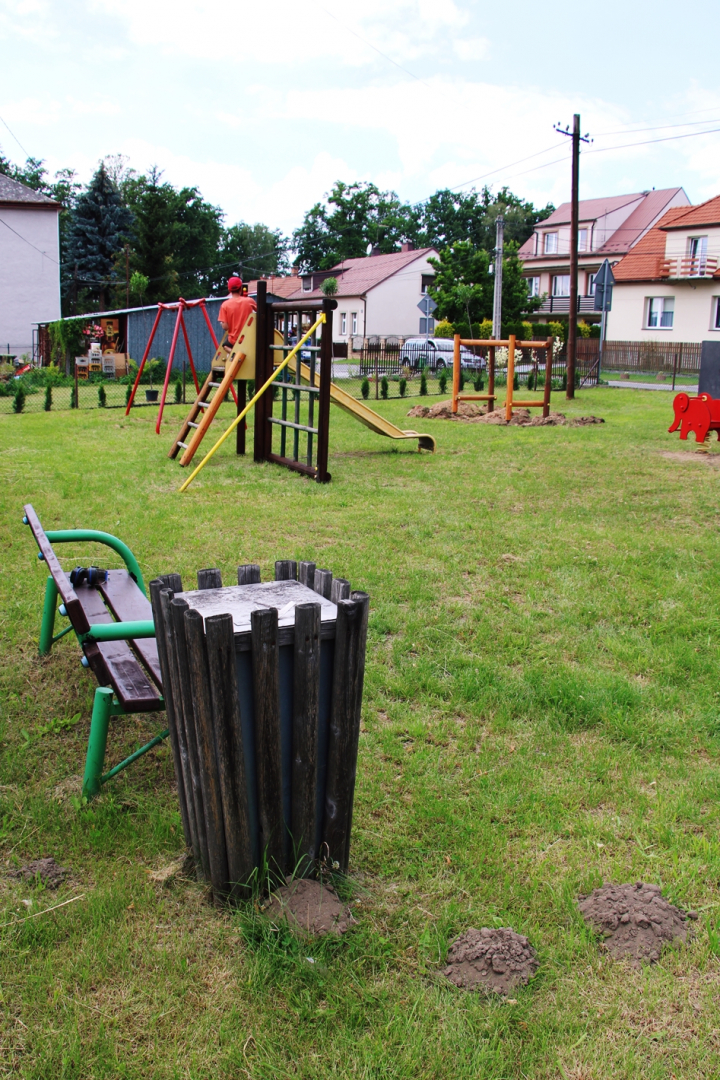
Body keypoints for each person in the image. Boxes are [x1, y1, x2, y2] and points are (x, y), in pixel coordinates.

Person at [218, 276, 256, 352]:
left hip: (234, 341)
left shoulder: (225, 305)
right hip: (248, 339)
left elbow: (225, 327)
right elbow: (261, 312)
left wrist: (223, 323)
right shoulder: (249, 301)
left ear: (229, 290)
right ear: (241, 288)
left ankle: (234, 354)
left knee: (225, 345)